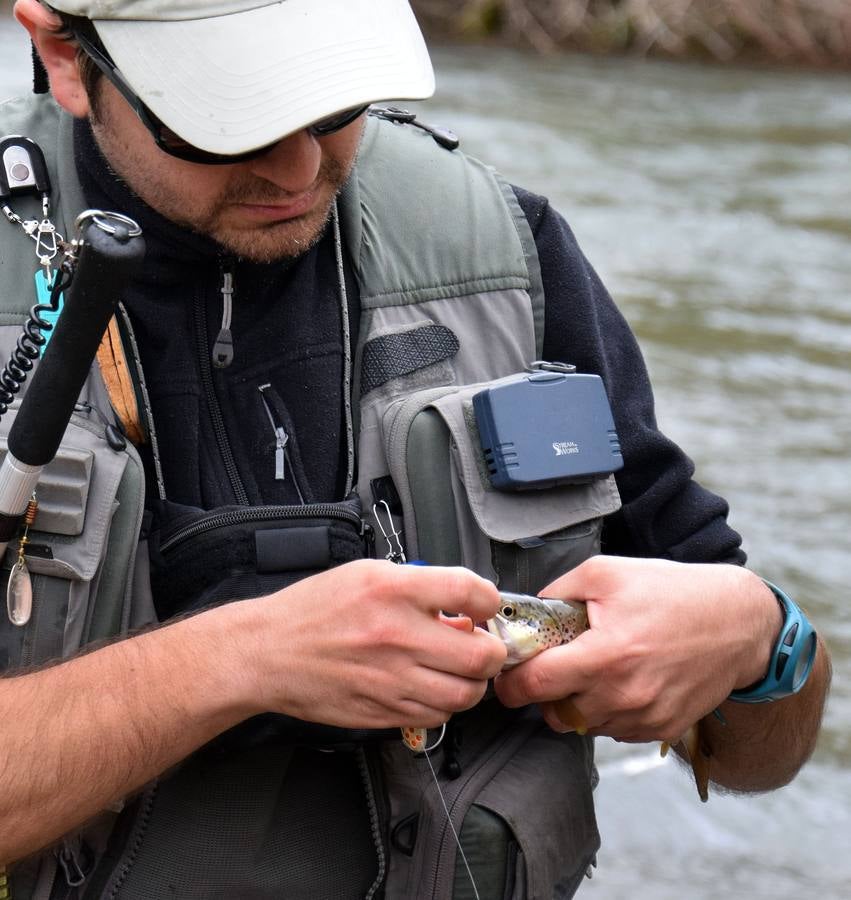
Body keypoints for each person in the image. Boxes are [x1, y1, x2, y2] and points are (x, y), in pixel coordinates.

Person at [0, 1, 831, 898]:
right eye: (228, 118)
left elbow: (764, 753)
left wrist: (759, 639)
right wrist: (237, 662)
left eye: (332, 104)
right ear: (65, 54)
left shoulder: (505, 248)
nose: (300, 164)